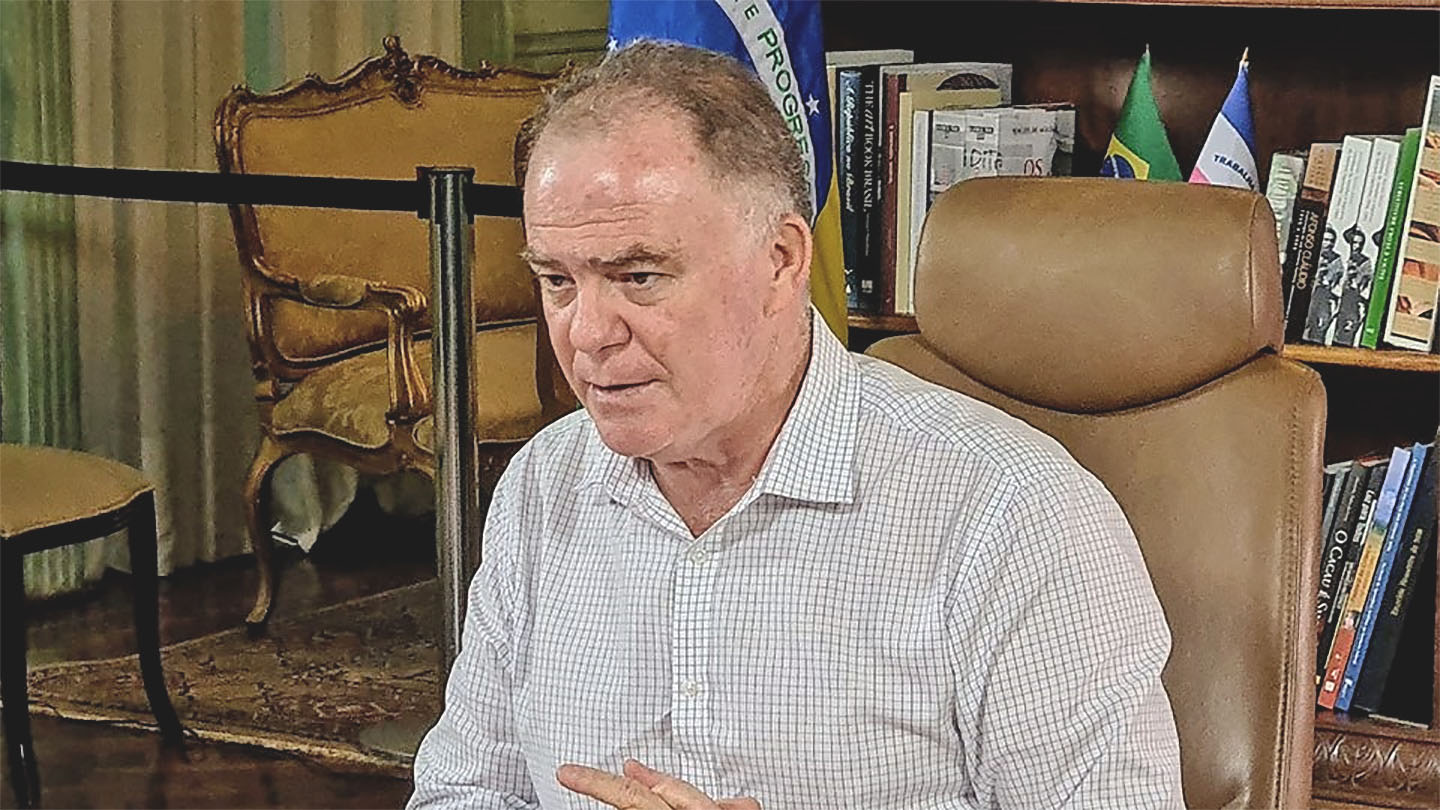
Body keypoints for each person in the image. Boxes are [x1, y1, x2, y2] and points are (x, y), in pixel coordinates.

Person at [409, 41, 1182, 810]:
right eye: (557, 280)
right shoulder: (546, 481)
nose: (586, 334)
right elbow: (461, 791)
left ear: (780, 260)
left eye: (639, 276)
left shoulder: (1011, 513)